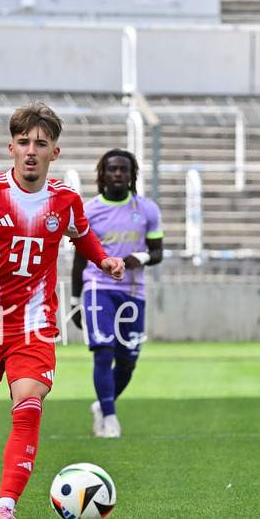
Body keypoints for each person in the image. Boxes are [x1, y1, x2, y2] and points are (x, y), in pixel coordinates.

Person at [0, 102, 125, 519]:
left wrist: (105, 260)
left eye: (41, 143)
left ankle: (5, 506)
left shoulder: (66, 200)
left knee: (30, 404)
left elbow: (82, 234)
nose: (32, 150)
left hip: (34, 326)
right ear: (11, 148)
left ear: (55, 152)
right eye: (24, 142)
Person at [70, 148, 163, 439]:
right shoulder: (88, 211)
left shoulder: (147, 209)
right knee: (103, 350)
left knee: (127, 361)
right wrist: (75, 301)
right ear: (103, 174)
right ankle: (110, 419)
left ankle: (102, 405)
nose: (118, 174)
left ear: (132, 174)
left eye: (124, 169)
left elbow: (158, 250)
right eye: (112, 169)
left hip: (133, 292)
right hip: (98, 288)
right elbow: (79, 259)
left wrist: (143, 258)